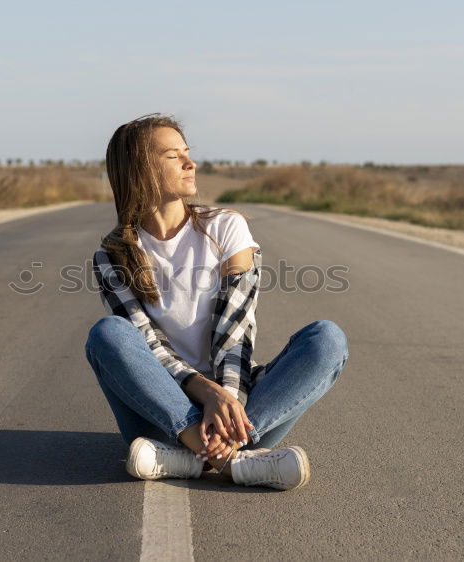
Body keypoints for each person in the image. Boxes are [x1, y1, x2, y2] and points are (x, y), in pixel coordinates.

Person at [84, 114, 348, 491]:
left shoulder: (226, 226)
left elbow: (234, 333)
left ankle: (191, 457)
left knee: (328, 339)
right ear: (139, 169)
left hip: (238, 411)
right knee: (107, 334)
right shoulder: (112, 255)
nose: (191, 164)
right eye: (173, 156)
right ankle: (231, 464)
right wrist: (204, 392)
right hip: (160, 410)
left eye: (187, 153)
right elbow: (149, 344)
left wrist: (223, 399)